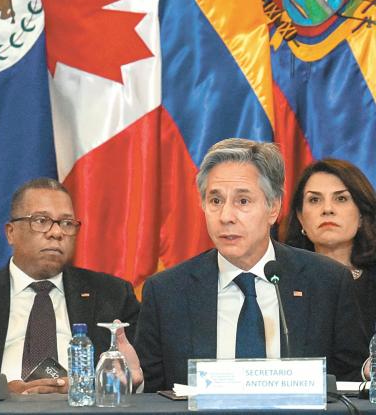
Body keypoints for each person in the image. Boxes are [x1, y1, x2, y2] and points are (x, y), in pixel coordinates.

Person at [134, 138, 368, 392]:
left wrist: (367, 373)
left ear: (273, 207)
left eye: (243, 201)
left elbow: (353, 385)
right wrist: (132, 382)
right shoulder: (167, 291)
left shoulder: (327, 282)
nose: (226, 217)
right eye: (215, 201)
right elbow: (151, 393)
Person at [0, 178, 142, 394]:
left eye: (67, 223)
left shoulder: (112, 294)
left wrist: (95, 388)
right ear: (11, 233)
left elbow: (143, 376)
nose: (56, 233)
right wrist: (0, 392)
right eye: (41, 221)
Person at [286, 158, 376, 336]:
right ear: (300, 217)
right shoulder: (281, 281)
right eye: (314, 200)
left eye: (341, 198)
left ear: (361, 216)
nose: (327, 209)